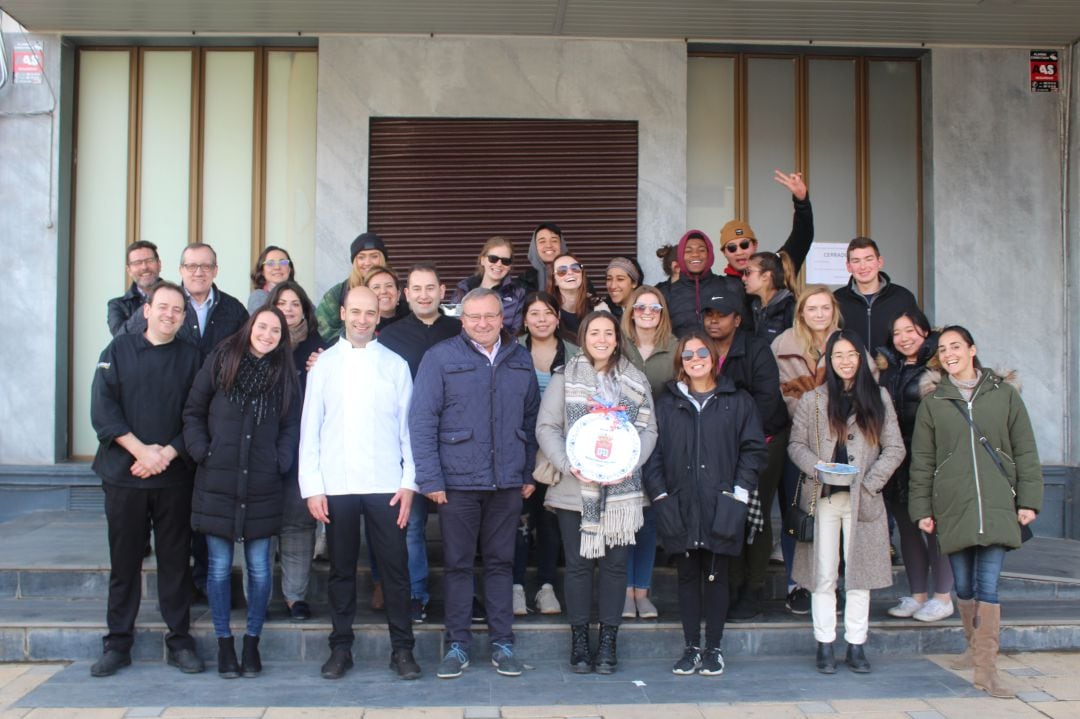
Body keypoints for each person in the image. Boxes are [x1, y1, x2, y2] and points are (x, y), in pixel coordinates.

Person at [409, 287, 540, 680]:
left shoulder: (520, 358)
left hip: (507, 483)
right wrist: (430, 478)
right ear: (461, 320)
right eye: (474, 317)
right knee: (458, 565)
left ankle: (503, 644)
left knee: (501, 564)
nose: (482, 323)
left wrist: (528, 470)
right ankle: (458, 645)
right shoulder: (440, 357)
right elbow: (422, 421)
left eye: (490, 316)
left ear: (503, 319)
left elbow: (531, 419)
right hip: (457, 482)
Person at [908, 326, 1042, 698]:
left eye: (956, 346)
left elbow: (1025, 450)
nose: (949, 353)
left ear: (972, 349)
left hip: (999, 503)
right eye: (943, 349)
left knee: (988, 585)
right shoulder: (934, 402)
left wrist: (1028, 500)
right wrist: (921, 509)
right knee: (963, 586)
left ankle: (987, 671)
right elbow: (922, 461)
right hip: (952, 505)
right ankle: (973, 645)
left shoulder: (1004, 396)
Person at [299, 286, 422, 681]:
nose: (363, 320)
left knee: (396, 569)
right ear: (343, 313)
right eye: (356, 312)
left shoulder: (395, 365)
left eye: (370, 313)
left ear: (378, 316)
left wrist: (409, 483)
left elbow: (410, 431)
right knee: (340, 571)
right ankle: (341, 648)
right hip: (336, 484)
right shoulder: (324, 365)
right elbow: (310, 430)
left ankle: (402, 649)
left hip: (387, 484)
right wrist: (312, 486)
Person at [89, 280, 204, 677]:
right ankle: (117, 642)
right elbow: (103, 409)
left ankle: (180, 639)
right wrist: (141, 452)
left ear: (184, 317)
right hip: (124, 476)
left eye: (178, 309)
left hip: (174, 478)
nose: (170, 314)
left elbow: (198, 415)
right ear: (147, 310)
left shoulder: (193, 358)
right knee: (124, 563)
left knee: (175, 562)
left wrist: (167, 453)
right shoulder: (118, 351)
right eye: (163, 307)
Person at [536, 310, 658, 675]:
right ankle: (579, 641)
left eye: (609, 333)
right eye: (594, 334)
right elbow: (547, 427)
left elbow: (649, 430)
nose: (602, 339)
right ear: (583, 339)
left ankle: (607, 642)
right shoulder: (565, 377)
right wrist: (567, 461)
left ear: (618, 339)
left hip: (623, 491)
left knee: (615, 567)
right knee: (576, 566)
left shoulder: (636, 380)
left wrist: (628, 463)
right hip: (576, 487)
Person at [182, 307, 301, 679]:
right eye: (262, 327)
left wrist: (280, 460)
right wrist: (204, 451)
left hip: (262, 483)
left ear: (282, 337)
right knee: (218, 569)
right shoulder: (222, 360)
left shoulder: (284, 374)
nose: (267, 335)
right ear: (250, 327)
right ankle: (224, 644)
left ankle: (252, 642)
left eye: (275, 331)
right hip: (219, 480)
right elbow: (193, 411)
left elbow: (291, 424)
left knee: (261, 570)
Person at [644, 332, 767, 676]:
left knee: (716, 575)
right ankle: (690, 648)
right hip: (678, 502)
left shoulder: (737, 400)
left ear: (713, 357)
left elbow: (753, 449)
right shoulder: (667, 403)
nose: (695, 359)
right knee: (686, 576)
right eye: (687, 355)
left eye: (701, 352)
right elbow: (652, 452)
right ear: (680, 362)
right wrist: (660, 494)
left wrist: (739, 491)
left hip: (721, 503)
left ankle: (713, 648)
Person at [788, 329, 905, 675]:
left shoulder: (878, 397)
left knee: (859, 576)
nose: (844, 362)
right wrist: (817, 469)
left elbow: (895, 447)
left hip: (863, 501)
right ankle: (824, 643)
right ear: (828, 360)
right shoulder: (814, 399)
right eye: (837, 355)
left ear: (862, 358)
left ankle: (856, 644)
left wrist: (870, 484)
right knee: (823, 574)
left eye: (851, 354)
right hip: (823, 497)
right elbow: (796, 445)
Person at [379, 264, 463, 624]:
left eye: (431, 287)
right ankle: (417, 594)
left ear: (443, 290)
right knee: (410, 525)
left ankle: (464, 598)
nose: (424, 294)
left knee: (459, 526)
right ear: (406, 294)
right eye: (417, 288)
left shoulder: (460, 330)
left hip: (458, 440)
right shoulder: (389, 336)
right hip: (406, 443)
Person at [697, 295, 788, 622]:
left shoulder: (756, 348)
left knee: (755, 511)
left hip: (763, 438)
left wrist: (742, 443)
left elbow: (766, 401)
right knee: (728, 510)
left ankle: (754, 587)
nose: (714, 321)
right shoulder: (699, 348)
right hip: (720, 444)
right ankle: (732, 584)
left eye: (722, 315)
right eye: (709, 314)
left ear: (737, 319)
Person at [877, 311, 955, 623]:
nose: (903, 338)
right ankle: (918, 594)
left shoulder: (938, 368)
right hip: (897, 460)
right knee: (908, 529)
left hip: (929, 459)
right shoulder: (887, 370)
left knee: (934, 527)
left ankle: (943, 596)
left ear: (924, 332)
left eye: (910, 330)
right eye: (897, 333)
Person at [770, 285, 842, 614]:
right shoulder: (782, 344)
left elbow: (864, 388)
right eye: (811, 308)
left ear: (833, 310)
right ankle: (797, 583)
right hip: (795, 439)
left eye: (824, 308)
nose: (818, 314)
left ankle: (831, 583)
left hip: (840, 441)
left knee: (834, 514)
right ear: (801, 312)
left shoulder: (848, 343)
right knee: (797, 513)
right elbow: (775, 391)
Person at [265, 281, 329, 621]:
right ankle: (258, 596)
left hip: (303, 450)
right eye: (281, 302)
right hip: (261, 450)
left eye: (295, 304)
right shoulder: (257, 345)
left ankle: (295, 597)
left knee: (298, 527)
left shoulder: (321, 350)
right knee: (260, 526)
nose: (288, 309)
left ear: (305, 311)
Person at [513, 291, 576, 616]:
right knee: (519, 520)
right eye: (534, 313)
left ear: (557, 317)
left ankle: (547, 587)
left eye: (547, 313)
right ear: (524, 318)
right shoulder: (511, 351)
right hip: (519, 450)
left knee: (551, 518)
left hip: (560, 452)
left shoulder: (575, 353)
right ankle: (516, 586)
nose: (541, 319)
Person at [619, 285, 678, 619]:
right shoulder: (617, 344)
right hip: (620, 445)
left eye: (654, 308)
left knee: (649, 520)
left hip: (660, 445)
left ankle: (643, 590)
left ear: (662, 312)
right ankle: (625, 591)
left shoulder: (676, 347)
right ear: (630, 310)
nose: (646, 313)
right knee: (625, 518)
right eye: (640, 307)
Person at [719, 170, 813, 284]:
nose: (739, 252)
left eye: (744, 245)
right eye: (732, 248)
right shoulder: (719, 287)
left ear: (755, 245)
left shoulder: (777, 269)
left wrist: (801, 202)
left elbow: (802, 237)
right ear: (724, 252)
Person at [833, 237, 920, 353]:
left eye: (868, 259)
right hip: (851, 369)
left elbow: (917, 336)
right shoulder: (836, 299)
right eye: (856, 261)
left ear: (880, 262)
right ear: (848, 266)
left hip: (893, 370)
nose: (863, 266)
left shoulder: (903, 297)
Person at [661, 229, 745, 338]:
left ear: (709, 254)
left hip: (723, 355)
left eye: (701, 250)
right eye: (688, 251)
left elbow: (745, 328)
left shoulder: (729, 285)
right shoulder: (666, 293)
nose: (695, 254)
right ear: (681, 256)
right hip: (683, 354)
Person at [316, 232, 392, 342]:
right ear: (354, 262)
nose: (368, 262)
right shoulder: (337, 293)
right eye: (361, 257)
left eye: (374, 256)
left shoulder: (393, 292)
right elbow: (324, 328)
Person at [451, 236, 526, 335]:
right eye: (493, 259)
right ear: (482, 260)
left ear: (510, 266)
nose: (499, 264)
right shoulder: (463, 289)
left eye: (505, 261)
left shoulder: (518, 294)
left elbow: (516, 333)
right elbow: (452, 325)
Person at [548, 253, 609, 343]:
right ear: (554, 280)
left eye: (575, 268)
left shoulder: (599, 306)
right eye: (562, 270)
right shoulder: (548, 309)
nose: (570, 272)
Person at [742, 251, 798, 343]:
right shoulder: (755, 306)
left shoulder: (790, 307)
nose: (743, 278)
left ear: (765, 276)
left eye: (748, 272)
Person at [108, 240, 162, 336]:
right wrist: (152, 302)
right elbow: (120, 339)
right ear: (129, 270)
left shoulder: (179, 298)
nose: (144, 267)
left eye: (149, 261)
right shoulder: (117, 305)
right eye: (137, 263)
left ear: (159, 264)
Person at [520, 222, 566, 293]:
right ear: (534, 247)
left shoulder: (575, 276)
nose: (548, 245)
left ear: (562, 246)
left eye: (554, 240)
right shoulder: (523, 282)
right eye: (542, 241)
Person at [247, 246, 295, 313]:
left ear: (289, 269)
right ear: (262, 271)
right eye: (270, 263)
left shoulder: (298, 295)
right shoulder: (258, 297)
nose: (277, 267)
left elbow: (313, 319)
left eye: (283, 262)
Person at [364, 265, 409, 332]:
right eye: (376, 287)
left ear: (398, 294)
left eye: (389, 286)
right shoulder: (361, 325)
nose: (383, 291)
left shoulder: (415, 320)